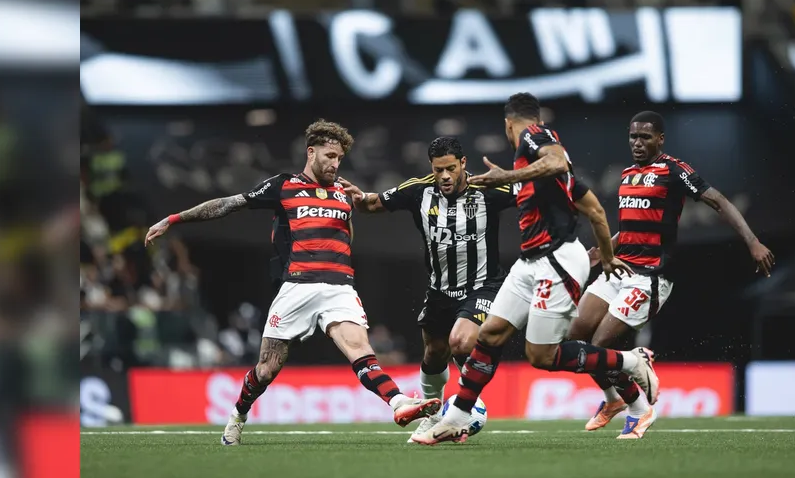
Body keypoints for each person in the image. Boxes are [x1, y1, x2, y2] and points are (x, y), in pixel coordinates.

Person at [143, 119, 441, 445]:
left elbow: (347, 236)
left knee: (361, 350)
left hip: (339, 286)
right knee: (267, 370)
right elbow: (228, 205)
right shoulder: (283, 186)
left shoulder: (344, 192)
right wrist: (173, 219)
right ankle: (238, 415)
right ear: (311, 152)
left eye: (339, 158)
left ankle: (398, 403)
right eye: (329, 156)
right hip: (298, 286)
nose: (335, 164)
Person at [411, 92, 657, 445]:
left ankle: (630, 362)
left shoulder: (534, 137)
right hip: (530, 262)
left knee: (542, 356)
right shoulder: (550, 175)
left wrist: (507, 175)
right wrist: (605, 254)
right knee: (490, 334)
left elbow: (556, 162)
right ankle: (457, 416)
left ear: (509, 124)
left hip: (555, 259)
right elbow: (597, 210)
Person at [569, 110, 775, 439]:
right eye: (633, 136)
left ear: (660, 139)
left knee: (600, 344)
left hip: (649, 277)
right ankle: (611, 400)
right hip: (618, 269)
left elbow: (719, 201)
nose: (637, 143)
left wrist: (752, 242)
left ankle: (638, 401)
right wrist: (603, 250)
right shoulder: (626, 175)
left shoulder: (674, 170)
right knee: (574, 334)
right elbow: (629, 228)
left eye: (645, 137)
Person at [340, 136, 516, 442]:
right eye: (438, 170)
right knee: (434, 354)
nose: (445, 176)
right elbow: (376, 203)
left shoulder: (488, 190)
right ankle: (433, 416)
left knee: (461, 341)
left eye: (450, 168)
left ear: (463, 164)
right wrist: (361, 199)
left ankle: (463, 408)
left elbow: (533, 195)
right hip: (440, 290)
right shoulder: (418, 190)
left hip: (483, 286)